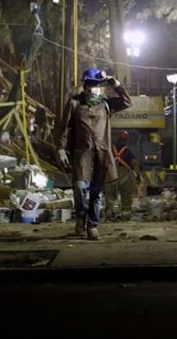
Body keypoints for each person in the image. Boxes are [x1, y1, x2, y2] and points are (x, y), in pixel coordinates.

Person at [56, 67, 132, 240]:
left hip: (101, 154)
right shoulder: (75, 103)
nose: (93, 87)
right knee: (80, 188)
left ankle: (92, 225)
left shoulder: (105, 104)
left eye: (97, 84)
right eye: (90, 84)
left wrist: (117, 86)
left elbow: (126, 102)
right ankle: (81, 216)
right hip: (82, 154)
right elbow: (64, 127)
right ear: (85, 85)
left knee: (97, 193)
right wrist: (60, 148)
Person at [110, 130, 139, 220]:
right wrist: (137, 175)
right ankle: (126, 216)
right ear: (126, 140)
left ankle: (108, 214)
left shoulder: (110, 149)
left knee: (110, 196)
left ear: (117, 139)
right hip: (125, 175)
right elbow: (134, 163)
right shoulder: (128, 151)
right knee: (126, 196)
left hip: (111, 174)